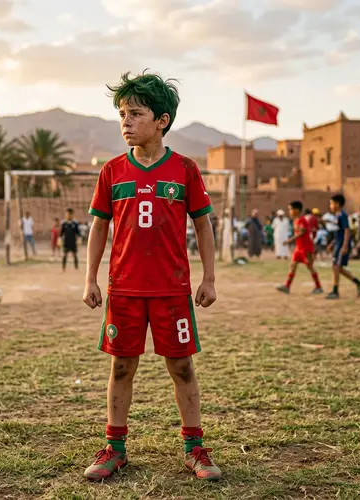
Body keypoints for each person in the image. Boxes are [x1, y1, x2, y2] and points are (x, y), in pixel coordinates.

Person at [82, 71, 221, 482]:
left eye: (135, 113)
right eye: (122, 114)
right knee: (121, 367)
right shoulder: (111, 171)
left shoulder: (185, 170)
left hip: (171, 290)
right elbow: (99, 227)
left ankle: (195, 448)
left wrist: (209, 278)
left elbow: (203, 225)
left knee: (181, 367)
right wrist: (91, 278)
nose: (125, 122)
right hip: (123, 289)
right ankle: (115, 448)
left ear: (161, 120)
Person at [276, 201, 323, 295]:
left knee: (310, 266)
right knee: (292, 266)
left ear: (296, 210)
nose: (289, 211)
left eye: (290, 209)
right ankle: (287, 286)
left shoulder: (302, 220)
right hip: (299, 247)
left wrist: (289, 240)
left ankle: (318, 287)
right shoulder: (296, 220)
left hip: (306, 247)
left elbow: (302, 232)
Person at [325, 194, 360, 300]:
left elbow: (347, 231)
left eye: (331, 203)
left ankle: (335, 291)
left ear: (337, 204)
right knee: (337, 267)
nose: (330, 205)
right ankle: (358, 283)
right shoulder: (337, 216)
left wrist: (344, 246)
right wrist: (333, 243)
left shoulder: (342, 215)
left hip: (342, 245)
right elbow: (339, 232)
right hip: (338, 244)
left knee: (336, 267)